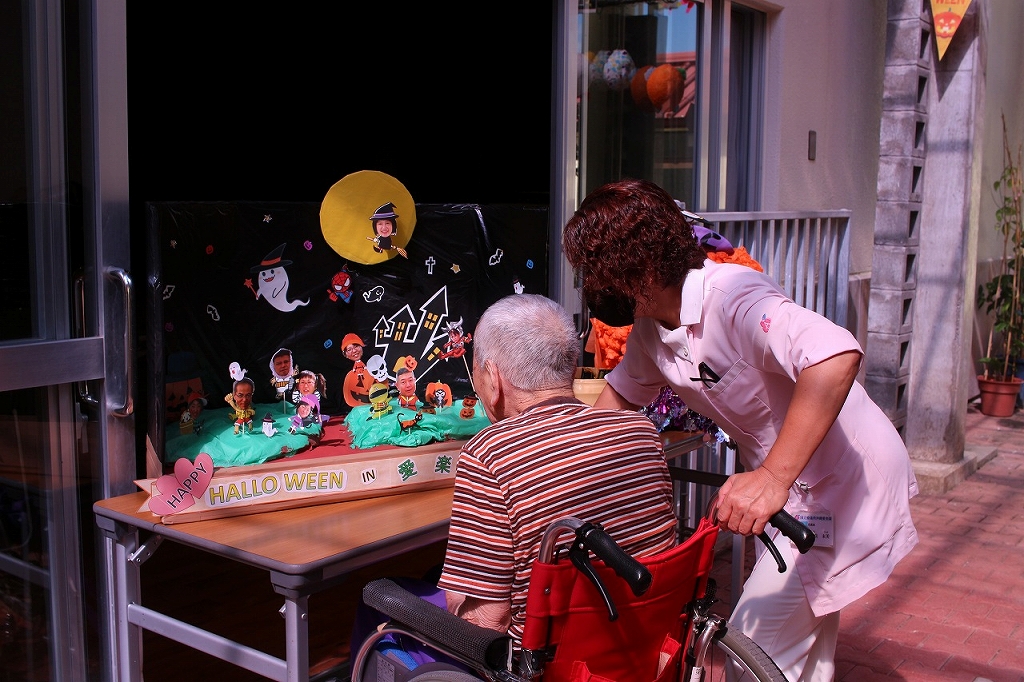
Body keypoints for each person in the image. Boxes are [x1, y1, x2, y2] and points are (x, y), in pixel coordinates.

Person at [562, 178, 920, 682]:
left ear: (640, 269)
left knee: (749, 652)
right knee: (802, 658)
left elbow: (834, 354)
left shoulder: (733, 296)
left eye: (598, 272)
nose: (593, 290)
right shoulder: (651, 330)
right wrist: (564, 462)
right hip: (795, 499)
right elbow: (617, 404)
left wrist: (771, 478)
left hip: (842, 482)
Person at [352, 294, 678, 659]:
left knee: (376, 601)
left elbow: (487, 622)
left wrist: (457, 598)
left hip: (541, 664)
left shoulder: (488, 454)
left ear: (493, 378)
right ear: (571, 367)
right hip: (638, 646)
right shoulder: (640, 430)